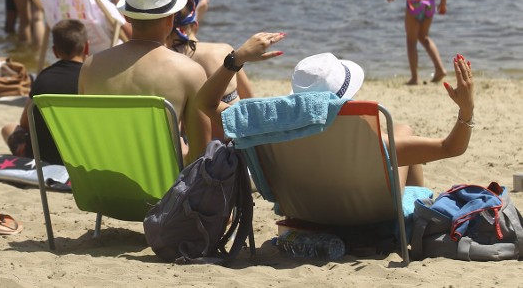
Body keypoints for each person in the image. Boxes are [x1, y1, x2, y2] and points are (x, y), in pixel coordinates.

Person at [78, 0, 280, 164]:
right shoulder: (188, 71)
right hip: (163, 191)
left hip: (98, 187)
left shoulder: (90, 67)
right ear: (170, 19)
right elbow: (200, 158)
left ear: (126, 17)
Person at [199, 50, 476, 189]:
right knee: (399, 138)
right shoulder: (364, 141)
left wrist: (235, 59)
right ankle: (416, 216)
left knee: (402, 129)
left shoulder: (267, 127)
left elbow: (206, 103)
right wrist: (467, 110)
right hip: (363, 217)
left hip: (305, 212)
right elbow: (450, 148)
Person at [0, 19, 89, 165]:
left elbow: (25, 123)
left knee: (8, 128)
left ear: (54, 51)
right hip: (80, 154)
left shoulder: (43, 77)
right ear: (86, 47)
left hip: (44, 156)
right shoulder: (92, 78)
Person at [167, 0, 253, 103]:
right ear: (195, 26)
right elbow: (250, 99)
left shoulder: (163, 60)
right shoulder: (224, 51)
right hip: (228, 119)